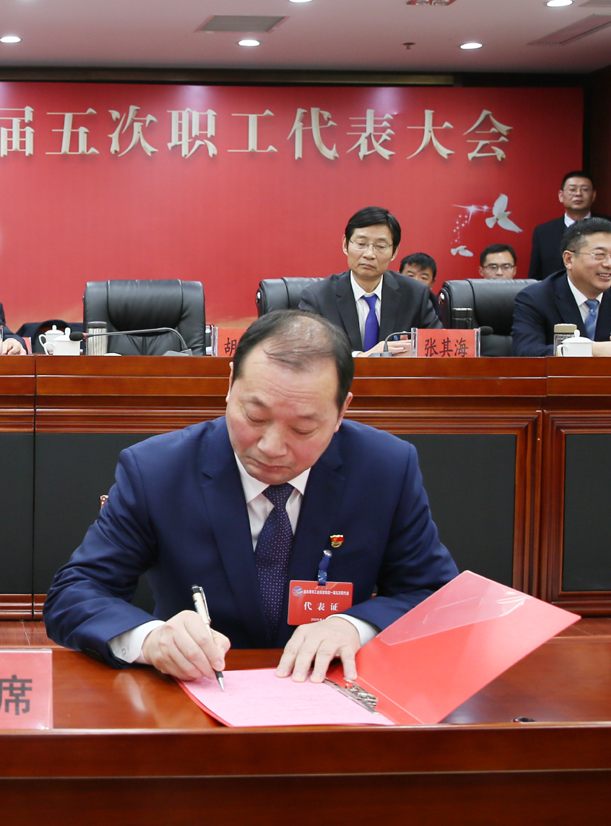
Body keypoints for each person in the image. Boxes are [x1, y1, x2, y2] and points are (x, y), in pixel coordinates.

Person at [44, 310, 458, 683]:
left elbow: (437, 597)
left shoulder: (385, 468)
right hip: (195, 696)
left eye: (303, 429)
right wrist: (151, 639)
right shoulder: (157, 470)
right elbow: (76, 592)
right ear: (229, 385)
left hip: (330, 697)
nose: (272, 447)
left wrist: (354, 626)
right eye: (255, 416)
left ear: (342, 412)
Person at [511, 217, 611, 357]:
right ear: (569, 259)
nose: (610, 264)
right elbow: (526, 352)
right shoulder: (536, 298)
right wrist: (589, 350)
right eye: (599, 255)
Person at [298, 206, 440, 356]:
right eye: (361, 244)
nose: (369, 254)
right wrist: (363, 357)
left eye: (380, 246)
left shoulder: (415, 294)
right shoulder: (318, 297)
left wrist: (416, 352)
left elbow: (440, 348)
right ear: (346, 245)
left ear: (394, 252)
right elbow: (307, 354)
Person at [527, 172, 611, 281]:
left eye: (585, 189)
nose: (578, 194)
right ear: (561, 196)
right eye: (572, 189)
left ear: (593, 195)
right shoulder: (543, 232)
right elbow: (535, 276)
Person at [398, 252, 442, 318]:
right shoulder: (387, 300)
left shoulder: (439, 308)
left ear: (432, 283)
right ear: (398, 277)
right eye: (410, 276)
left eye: (423, 278)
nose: (416, 281)